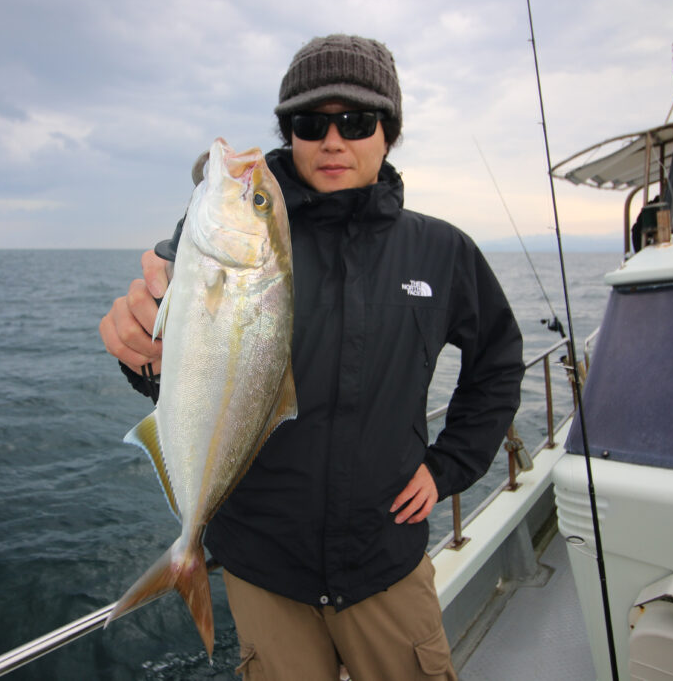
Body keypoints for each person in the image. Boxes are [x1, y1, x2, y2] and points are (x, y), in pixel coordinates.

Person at [99, 34, 524, 681]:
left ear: (388, 134)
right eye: (308, 122)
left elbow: (498, 360)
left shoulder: (442, 251)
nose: (332, 140)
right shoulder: (228, 234)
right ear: (288, 133)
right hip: (263, 566)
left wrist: (449, 466)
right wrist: (143, 355)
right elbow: (185, 371)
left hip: (385, 561)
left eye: (356, 121)